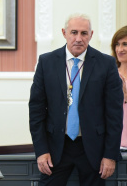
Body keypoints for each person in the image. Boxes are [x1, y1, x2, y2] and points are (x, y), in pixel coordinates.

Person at [29, 13, 124, 185]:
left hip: (94, 149)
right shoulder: (46, 62)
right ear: (64, 33)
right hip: (56, 148)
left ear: (91, 35)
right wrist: (41, 150)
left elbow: (114, 115)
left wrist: (110, 155)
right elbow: (36, 111)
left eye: (84, 33)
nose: (78, 39)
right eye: (74, 32)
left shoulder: (106, 64)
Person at [111, 26, 127, 148]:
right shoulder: (110, 75)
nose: (120, 49)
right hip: (114, 145)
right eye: (117, 44)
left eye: (125, 44)